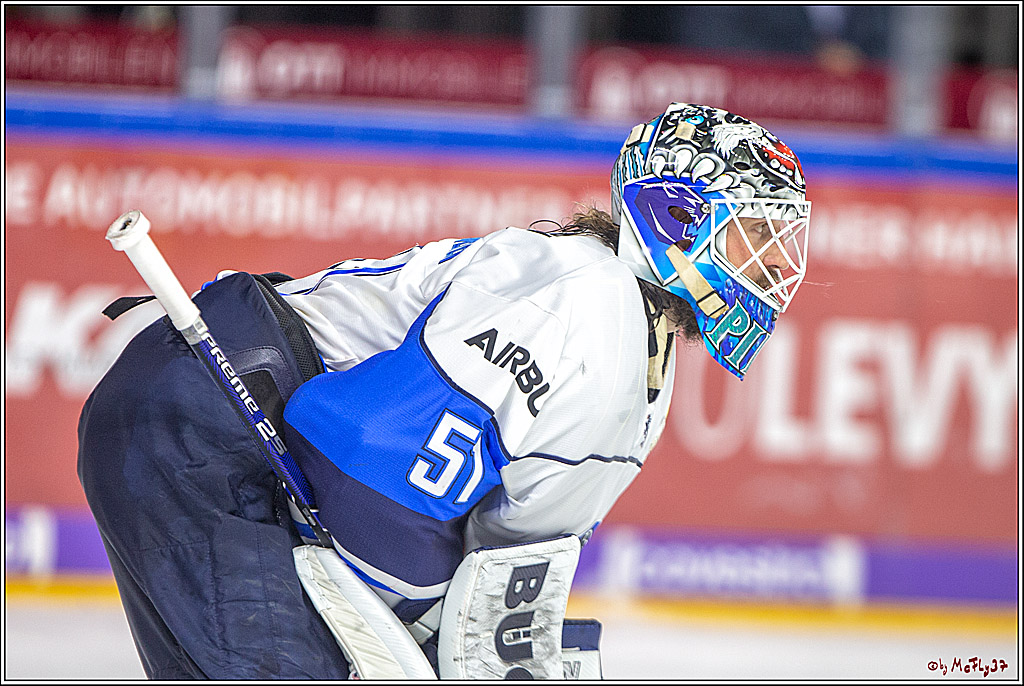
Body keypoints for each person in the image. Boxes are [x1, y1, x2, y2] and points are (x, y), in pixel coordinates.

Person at [78, 102, 811, 679]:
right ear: (675, 217)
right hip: (207, 422)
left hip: (217, 439)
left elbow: (496, 559)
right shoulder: (579, 298)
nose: (775, 268)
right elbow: (363, 461)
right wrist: (424, 633)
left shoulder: (639, 352)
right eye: (754, 236)